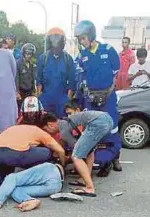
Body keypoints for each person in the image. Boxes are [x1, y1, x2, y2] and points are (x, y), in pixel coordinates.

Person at [74, 20, 122, 172]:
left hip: (108, 96)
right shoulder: (82, 55)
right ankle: (94, 159)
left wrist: (106, 91)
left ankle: (115, 157)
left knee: (112, 127)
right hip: (90, 98)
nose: (81, 42)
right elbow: (80, 76)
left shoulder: (108, 50)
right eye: (79, 39)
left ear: (91, 35)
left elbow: (116, 72)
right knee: (92, 128)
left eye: (83, 38)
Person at [0, 124, 65, 190]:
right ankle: (39, 178)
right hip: (13, 153)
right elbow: (60, 150)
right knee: (48, 152)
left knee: (4, 177)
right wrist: (62, 164)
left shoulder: (18, 127)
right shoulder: (40, 132)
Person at [40, 112, 113, 197]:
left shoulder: (63, 131)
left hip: (97, 122)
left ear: (50, 125)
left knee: (76, 156)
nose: (48, 132)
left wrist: (64, 161)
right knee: (89, 151)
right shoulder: (65, 122)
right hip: (107, 119)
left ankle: (89, 188)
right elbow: (65, 142)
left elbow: (76, 149)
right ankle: (84, 178)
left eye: (46, 130)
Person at [64, 101, 121, 177]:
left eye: (70, 113)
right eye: (67, 114)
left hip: (104, 146)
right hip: (94, 147)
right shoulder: (76, 123)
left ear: (77, 110)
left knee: (95, 163)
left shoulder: (91, 120)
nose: (69, 117)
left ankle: (109, 161)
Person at [0, 162, 64, 212]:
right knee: (15, 189)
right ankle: (30, 200)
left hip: (51, 169)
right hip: (56, 187)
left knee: (12, 177)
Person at [36, 27, 76, 118]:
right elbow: (39, 80)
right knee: (45, 124)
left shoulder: (68, 59)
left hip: (62, 99)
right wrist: (40, 98)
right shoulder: (43, 58)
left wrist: (68, 100)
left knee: (62, 125)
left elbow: (72, 82)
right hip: (46, 99)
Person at [16, 43, 37, 109]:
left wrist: (34, 91)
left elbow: (32, 79)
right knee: (20, 112)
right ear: (23, 53)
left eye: (30, 54)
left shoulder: (31, 65)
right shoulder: (18, 64)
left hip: (29, 92)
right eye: (27, 54)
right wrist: (17, 92)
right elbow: (16, 79)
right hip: (21, 92)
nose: (28, 56)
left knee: (29, 111)